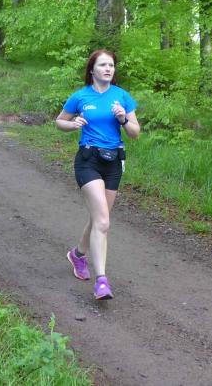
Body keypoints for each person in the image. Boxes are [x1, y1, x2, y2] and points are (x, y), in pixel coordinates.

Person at [54, 49, 140, 301]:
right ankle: (102, 281)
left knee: (99, 219)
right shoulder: (80, 96)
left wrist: (123, 119)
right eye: (103, 65)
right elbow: (59, 122)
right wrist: (73, 124)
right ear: (92, 69)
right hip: (88, 160)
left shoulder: (122, 96)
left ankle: (77, 255)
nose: (108, 69)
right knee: (102, 221)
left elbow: (135, 132)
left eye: (111, 65)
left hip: (113, 162)